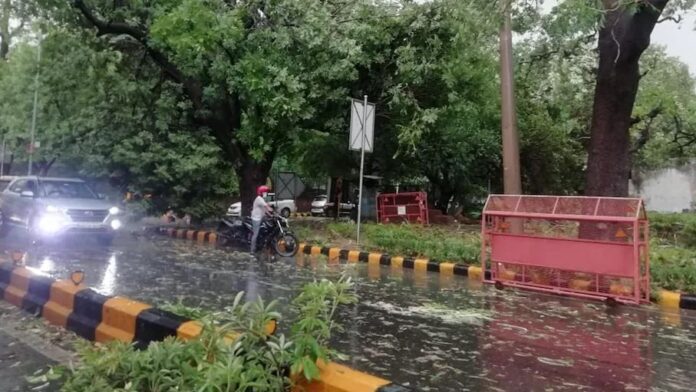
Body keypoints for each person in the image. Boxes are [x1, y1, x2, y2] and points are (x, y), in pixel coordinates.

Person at [250, 185, 272, 254]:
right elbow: (266, 206)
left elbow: (266, 208)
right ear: (262, 192)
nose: (266, 193)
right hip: (256, 218)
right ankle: (252, 250)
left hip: (261, 217)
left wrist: (271, 214)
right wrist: (271, 210)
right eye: (265, 192)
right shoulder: (259, 199)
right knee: (255, 234)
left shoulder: (263, 199)